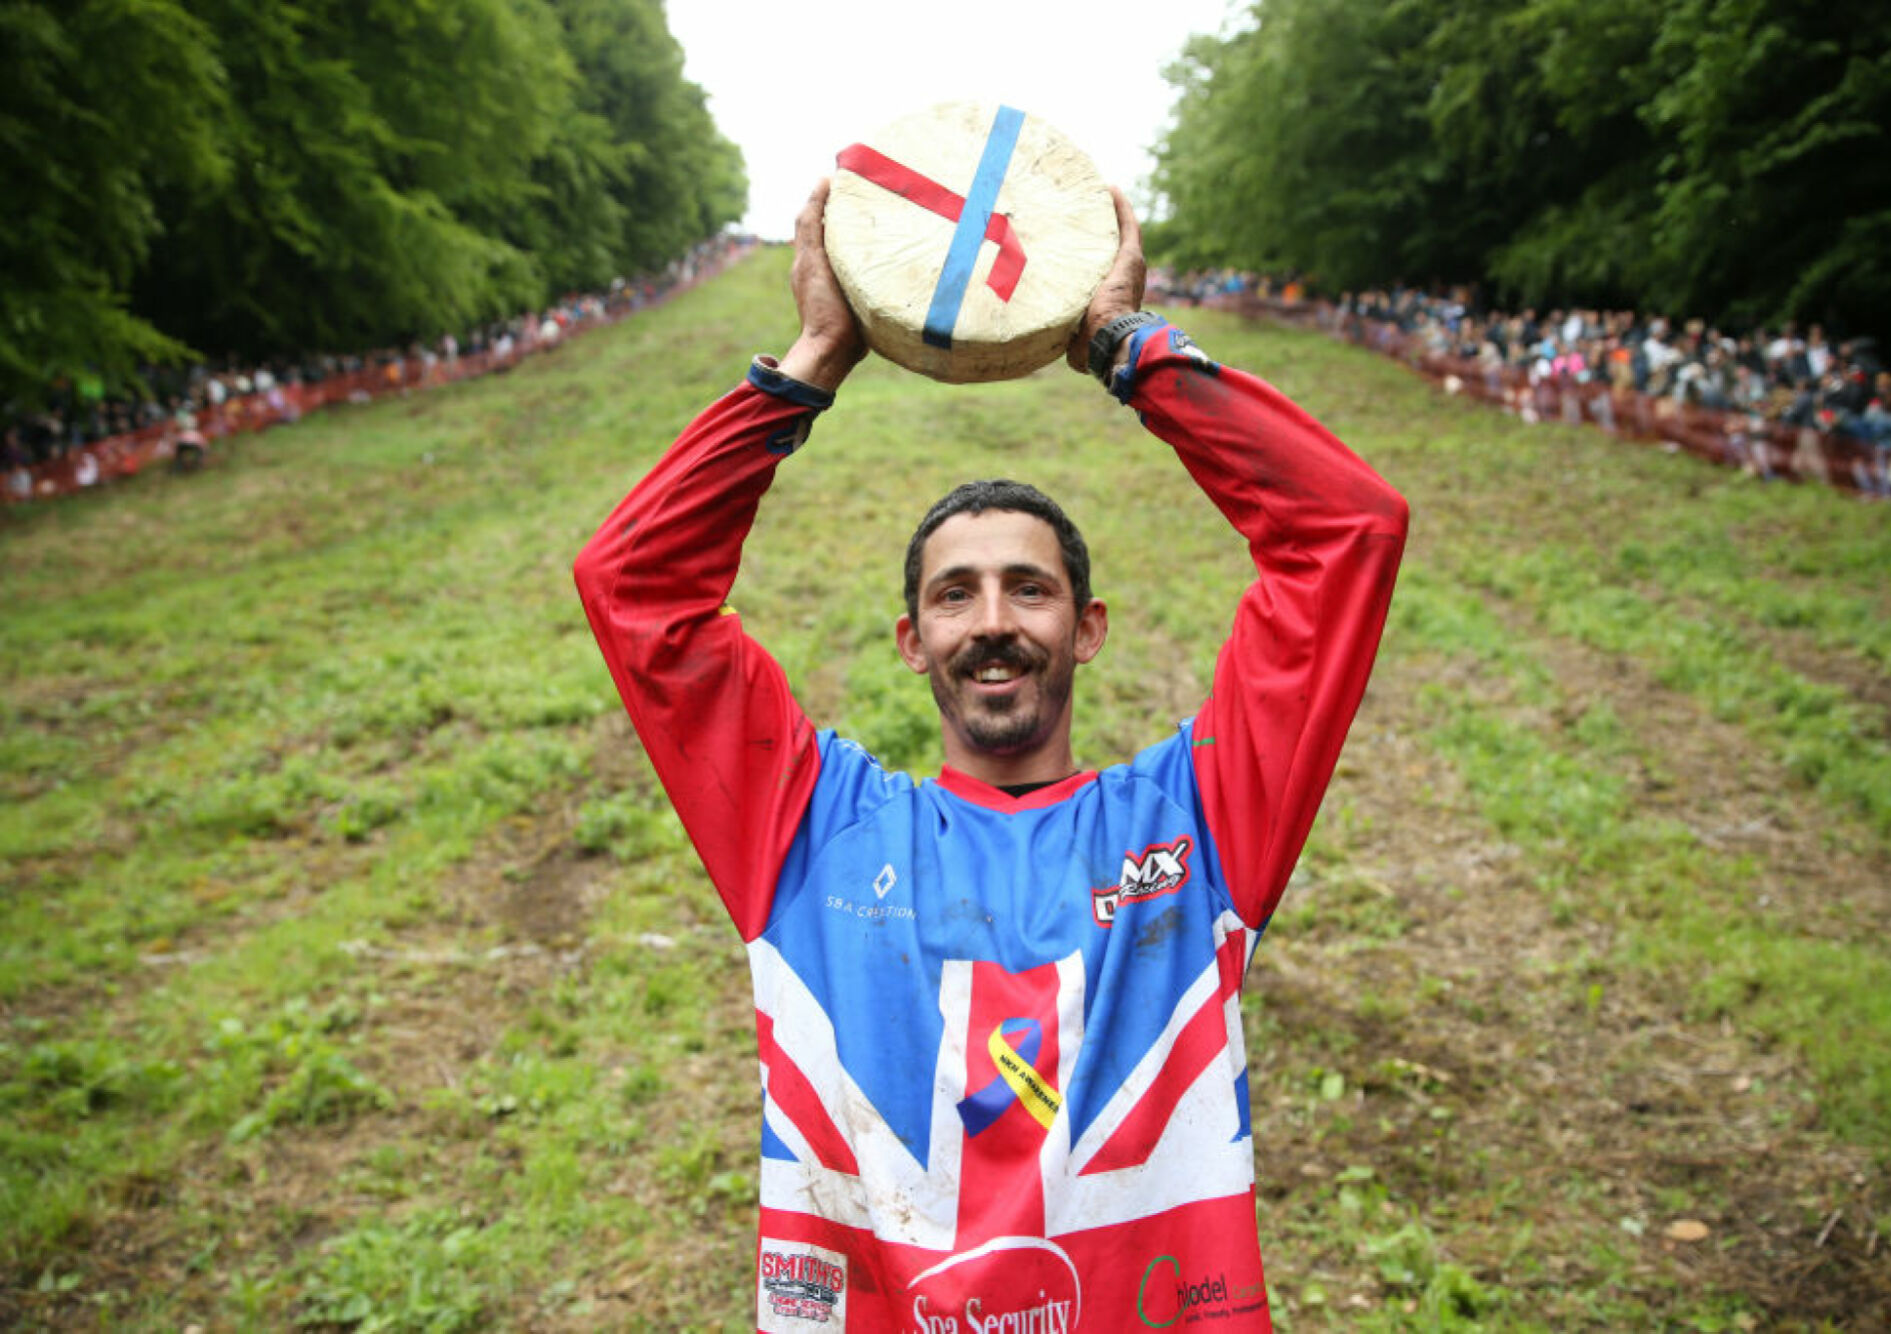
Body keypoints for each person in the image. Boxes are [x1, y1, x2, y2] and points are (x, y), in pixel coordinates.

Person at [574, 181, 1407, 1333]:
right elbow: (634, 591)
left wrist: (1124, 345)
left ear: (1089, 626)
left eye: (1030, 586)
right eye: (953, 595)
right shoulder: (806, 830)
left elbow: (1346, 533)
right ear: (914, 642)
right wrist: (813, 357)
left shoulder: (1199, 822)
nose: (994, 620)